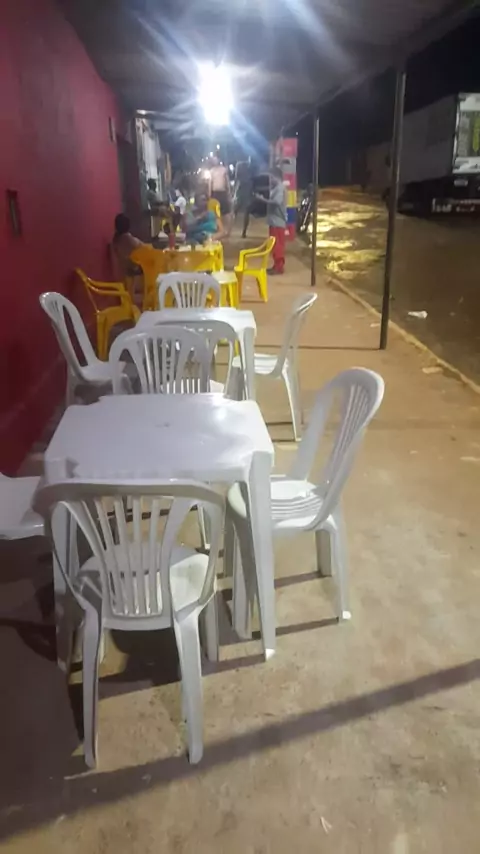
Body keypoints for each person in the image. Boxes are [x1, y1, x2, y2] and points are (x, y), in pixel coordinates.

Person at [255, 167, 287, 275]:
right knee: (274, 244)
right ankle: (277, 265)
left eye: (271, 177)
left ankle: (279, 267)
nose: (270, 180)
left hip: (277, 221)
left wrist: (263, 200)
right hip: (274, 221)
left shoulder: (280, 188)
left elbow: (277, 202)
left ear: (277, 177)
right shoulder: (277, 187)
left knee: (277, 244)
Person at [209, 156, 232, 236]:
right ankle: (219, 229)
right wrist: (209, 194)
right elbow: (210, 183)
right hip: (214, 193)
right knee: (215, 212)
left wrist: (229, 193)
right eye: (213, 160)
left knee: (226, 212)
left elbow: (227, 181)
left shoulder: (223, 170)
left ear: (219, 160)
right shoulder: (211, 171)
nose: (214, 161)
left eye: (216, 159)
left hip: (223, 192)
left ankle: (228, 231)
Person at [234, 159, 254, 238]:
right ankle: (244, 232)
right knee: (246, 212)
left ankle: (230, 228)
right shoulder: (249, 171)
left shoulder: (239, 169)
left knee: (235, 211)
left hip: (241, 191)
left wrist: (234, 194)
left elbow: (237, 183)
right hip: (247, 191)